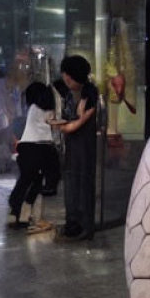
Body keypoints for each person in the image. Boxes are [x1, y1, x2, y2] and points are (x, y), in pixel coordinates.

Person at [52, 55, 98, 240]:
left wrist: (59, 125)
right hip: (72, 146)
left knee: (83, 185)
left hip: (84, 147)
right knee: (71, 185)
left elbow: (74, 125)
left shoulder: (90, 95)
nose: (66, 81)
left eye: (69, 77)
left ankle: (84, 227)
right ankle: (72, 223)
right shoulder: (69, 94)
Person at [8, 82, 57, 234]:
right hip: (41, 148)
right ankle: (23, 214)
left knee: (25, 182)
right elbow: (53, 126)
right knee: (35, 184)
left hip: (27, 148)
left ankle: (16, 214)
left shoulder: (33, 109)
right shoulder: (47, 110)